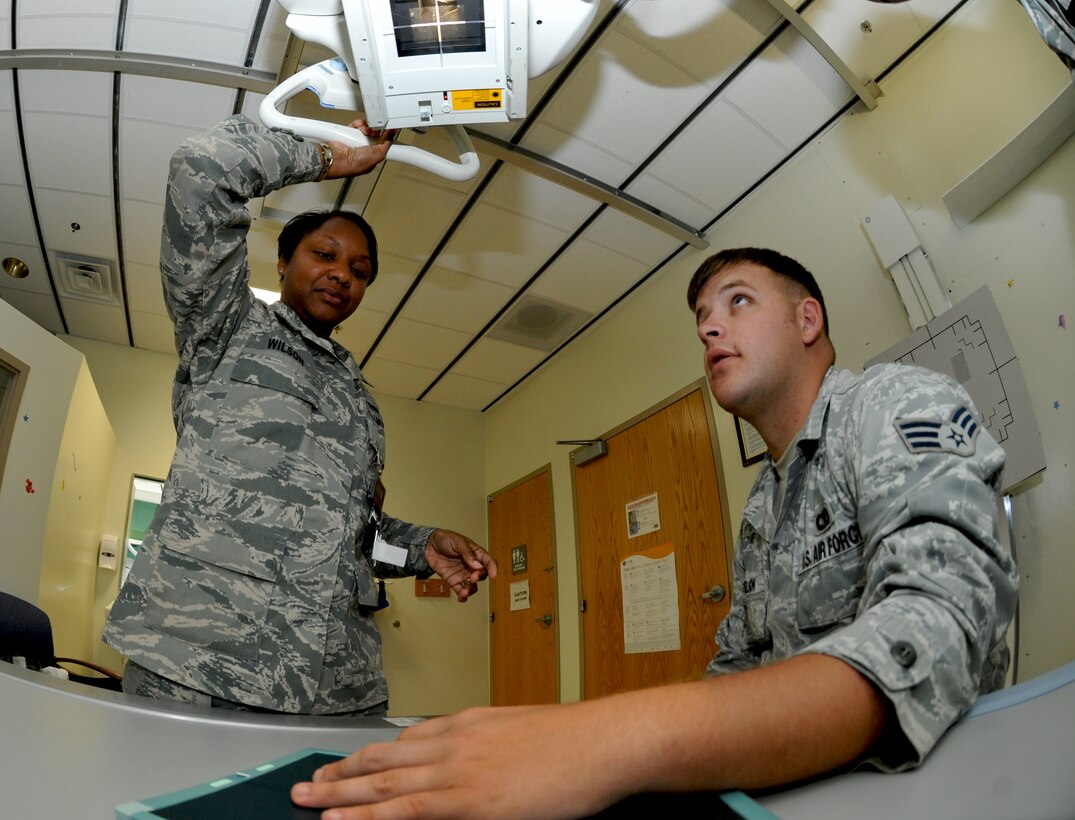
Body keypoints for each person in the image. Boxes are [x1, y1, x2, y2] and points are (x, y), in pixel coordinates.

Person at [290, 248, 1018, 817]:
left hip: (936, 783)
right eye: (702, 314)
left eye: (737, 302)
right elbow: (735, 667)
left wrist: (612, 741)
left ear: (806, 321)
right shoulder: (765, 502)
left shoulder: (892, 401)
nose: (708, 326)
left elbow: (942, 624)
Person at [104, 116, 496, 715]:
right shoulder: (226, 329)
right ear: (283, 263)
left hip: (336, 685)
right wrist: (331, 156)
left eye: (361, 271)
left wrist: (421, 550)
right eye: (326, 254)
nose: (344, 273)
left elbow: (351, 536)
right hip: (203, 661)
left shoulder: (359, 399)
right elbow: (202, 165)